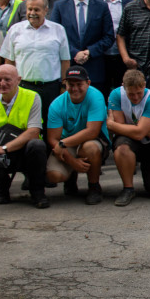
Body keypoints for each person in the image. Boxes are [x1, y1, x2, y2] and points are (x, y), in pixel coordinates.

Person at [0, 64, 48, 207]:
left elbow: (34, 131)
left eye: (7, 79)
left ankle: (37, 192)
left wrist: (4, 148)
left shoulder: (33, 97)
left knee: (37, 145)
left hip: (23, 149)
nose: (2, 84)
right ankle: (3, 187)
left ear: (18, 80)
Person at [0, 0, 70, 133]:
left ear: (46, 10)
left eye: (36, 10)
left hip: (50, 88)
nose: (32, 13)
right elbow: (9, 61)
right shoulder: (15, 30)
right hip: (23, 87)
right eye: (29, 9)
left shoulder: (58, 30)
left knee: (50, 125)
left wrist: (63, 85)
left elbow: (65, 60)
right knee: (23, 125)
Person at [45, 66, 110, 205]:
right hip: (67, 144)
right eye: (70, 84)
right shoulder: (57, 104)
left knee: (90, 148)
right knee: (54, 176)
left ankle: (94, 187)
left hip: (91, 140)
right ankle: (70, 177)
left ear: (88, 83)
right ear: (65, 84)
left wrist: (62, 144)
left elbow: (92, 131)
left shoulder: (95, 96)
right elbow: (52, 138)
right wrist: (72, 162)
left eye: (79, 84)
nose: (75, 89)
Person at [107, 69, 150, 206]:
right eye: (131, 94)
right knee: (122, 147)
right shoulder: (116, 95)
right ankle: (128, 188)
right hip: (131, 139)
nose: (135, 97)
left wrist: (112, 125)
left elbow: (136, 132)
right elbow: (123, 127)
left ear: (144, 85)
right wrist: (145, 130)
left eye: (139, 93)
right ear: (123, 87)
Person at [49, 0, 115, 95]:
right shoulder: (60, 7)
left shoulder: (101, 6)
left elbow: (109, 36)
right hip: (69, 68)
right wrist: (74, 53)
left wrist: (89, 52)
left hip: (95, 70)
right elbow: (54, 36)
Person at [100, 0, 132, 94]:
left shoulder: (130, 4)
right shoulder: (94, 3)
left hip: (123, 58)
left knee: (123, 93)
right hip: (101, 57)